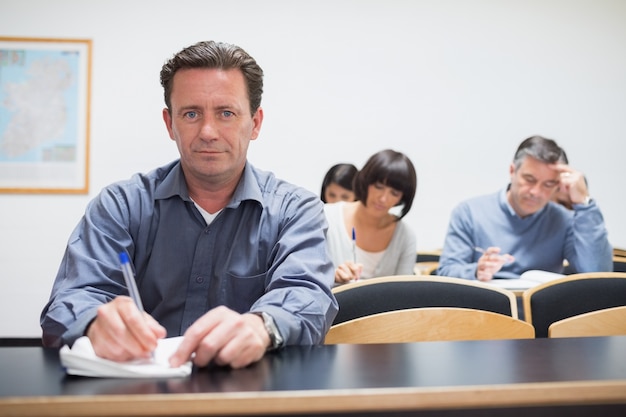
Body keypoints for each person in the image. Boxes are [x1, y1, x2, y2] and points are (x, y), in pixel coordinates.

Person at [40, 40, 338, 369]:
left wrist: (262, 325)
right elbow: (70, 300)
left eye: (226, 113)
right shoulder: (120, 206)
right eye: (191, 113)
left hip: (249, 392)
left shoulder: (295, 211)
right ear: (170, 124)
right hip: (135, 393)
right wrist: (95, 324)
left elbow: (308, 296)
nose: (208, 131)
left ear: (255, 123)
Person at [437, 135, 612, 281]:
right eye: (529, 179)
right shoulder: (469, 212)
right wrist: (476, 271)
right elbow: (446, 273)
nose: (536, 192)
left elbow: (597, 275)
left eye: (548, 184)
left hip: (544, 317)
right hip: (484, 315)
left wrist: (583, 202)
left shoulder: (564, 219)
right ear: (512, 171)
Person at [324, 149, 417, 284]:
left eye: (394, 193)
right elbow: (304, 275)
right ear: (365, 182)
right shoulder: (327, 217)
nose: (383, 198)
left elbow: (403, 293)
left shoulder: (405, 236)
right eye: (379, 186)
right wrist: (331, 276)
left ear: (402, 198)